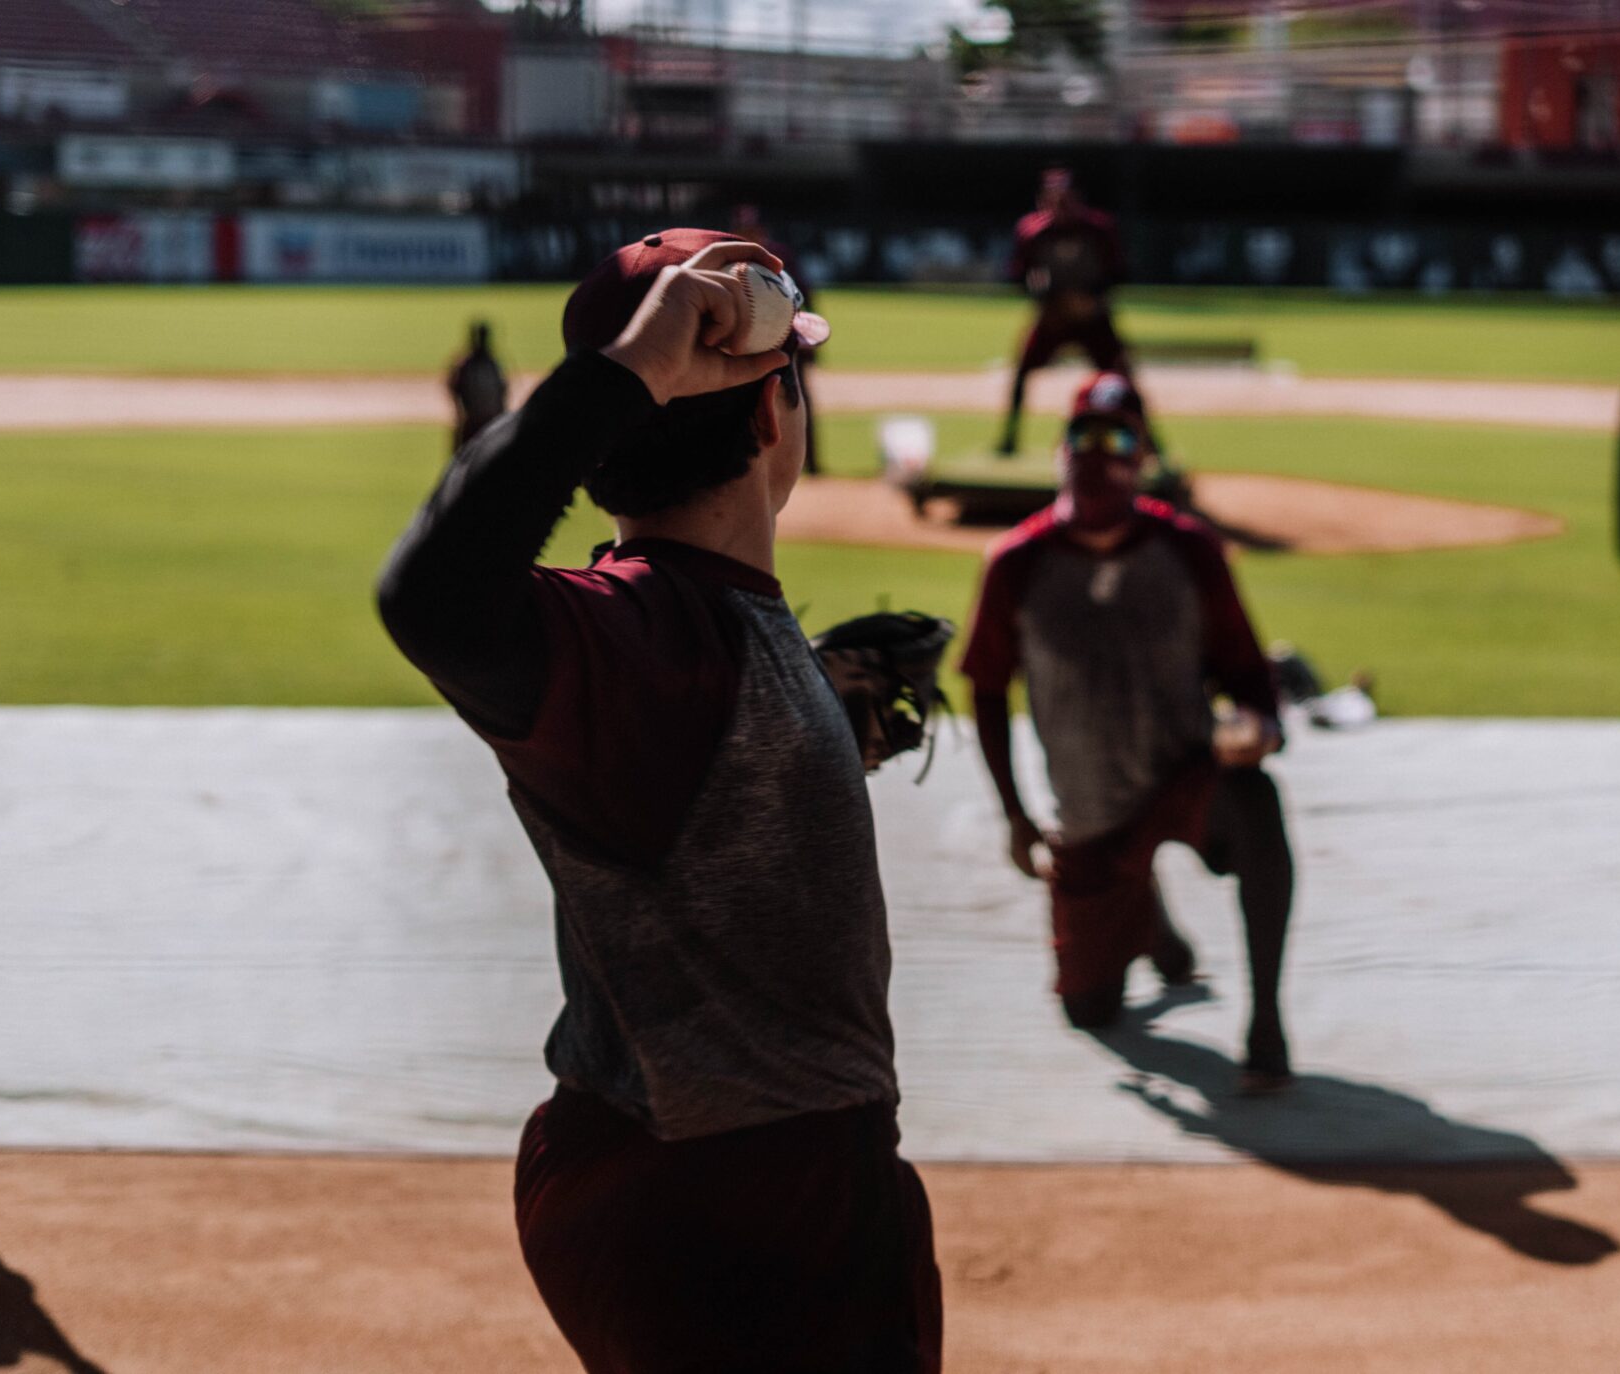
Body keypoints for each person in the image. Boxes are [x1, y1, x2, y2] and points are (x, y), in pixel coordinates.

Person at [376, 230, 942, 1373]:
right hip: (741, 1209)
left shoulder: (686, 635)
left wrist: (817, 727)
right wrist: (635, 372)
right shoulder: (644, 638)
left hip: (722, 1183)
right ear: (774, 418)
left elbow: (692, 774)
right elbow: (432, 600)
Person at [961, 371, 1296, 1093]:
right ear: (1060, 450)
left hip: (1183, 777)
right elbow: (985, 688)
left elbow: (1245, 668)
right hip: (1089, 812)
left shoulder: (1189, 550)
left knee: (1258, 801)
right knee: (1091, 1008)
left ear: (1142, 457)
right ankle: (1151, 923)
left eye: (1118, 440)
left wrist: (1260, 727)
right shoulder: (1017, 562)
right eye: (1082, 437)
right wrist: (1016, 816)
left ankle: (1267, 1022)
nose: (1096, 455)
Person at [997, 168, 1131, 457]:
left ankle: (1146, 444)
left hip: (1093, 317)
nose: (1061, 206)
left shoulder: (1099, 229)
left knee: (1123, 378)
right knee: (1022, 372)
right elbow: (1017, 275)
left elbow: (1119, 272)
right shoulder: (1032, 231)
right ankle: (1009, 440)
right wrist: (1048, 300)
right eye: (1053, 199)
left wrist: (1091, 297)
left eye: (1066, 199)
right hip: (1053, 318)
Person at [730, 204, 823, 476]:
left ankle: (812, 463)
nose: (750, 234)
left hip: (787, 343)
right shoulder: (729, 260)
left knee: (798, 401)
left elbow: (804, 297)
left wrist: (808, 342)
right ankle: (752, 466)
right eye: (744, 230)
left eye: (753, 229)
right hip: (747, 347)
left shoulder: (781, 255)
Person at [445, 319, 507, 451]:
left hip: (478, 424)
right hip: (488, 423)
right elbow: (503, 392)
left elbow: (453, 388)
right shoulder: (492, 364)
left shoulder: (467, 365)